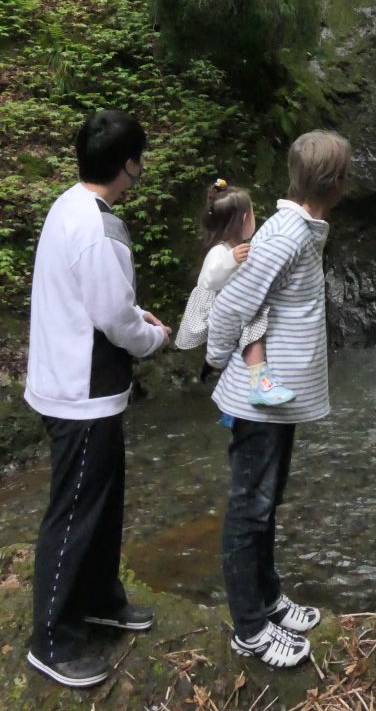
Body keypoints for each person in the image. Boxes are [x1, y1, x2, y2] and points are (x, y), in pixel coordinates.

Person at [24, 110, 170, 689]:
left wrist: (133, 318)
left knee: (104, 503)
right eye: (140, 161)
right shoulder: (99, 227)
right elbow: (113, 316)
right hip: (80, 393)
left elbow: (102, 302)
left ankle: (101, 598)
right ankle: (52, 640)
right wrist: (153, 336)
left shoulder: (69, 205)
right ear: (129, 165)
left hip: (74, 382)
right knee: (76, 513)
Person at [206, 129, 351, 669]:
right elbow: (228, 307)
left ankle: (267, 600)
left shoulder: (299, 229)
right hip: (257, 400)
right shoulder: (284, 235)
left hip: (277, 399)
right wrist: (222, 364)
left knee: (266, 501)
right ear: (334, 184)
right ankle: (248, 628)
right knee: (249, 508)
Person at [176, 180, 295, 406]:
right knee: (252, 328)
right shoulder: (220, 252)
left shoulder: (240, 247)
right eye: (251, 213)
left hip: (231, 308)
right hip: (215, 311)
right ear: (243, 220)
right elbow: (210, 281)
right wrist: (231, 261)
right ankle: (260, 383)